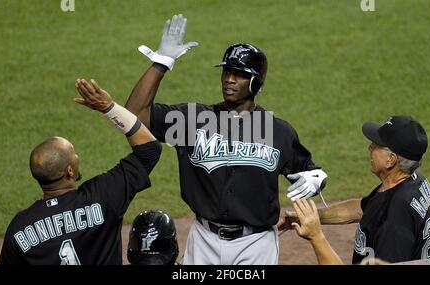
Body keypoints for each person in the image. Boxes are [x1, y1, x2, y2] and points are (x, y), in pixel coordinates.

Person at [125, 14, 327, 265]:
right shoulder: (191, 121)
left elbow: (309, 172)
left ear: (256, 83)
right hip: (204, 240)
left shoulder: (278, 132)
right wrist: (161, 63)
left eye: (240, 74)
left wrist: (317, 179)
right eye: (227, 72)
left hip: (256, 245)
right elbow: (133, 115)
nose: (229, 79)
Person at [0, 79, 162, 265]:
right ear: (69, 171)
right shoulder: (104, 195)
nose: (78, 157)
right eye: (74, 154)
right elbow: (150, 150)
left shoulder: (19, 228)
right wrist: (109, 108)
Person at [280, 115, 430, 264]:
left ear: (391, 160)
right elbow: (362, 209)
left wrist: (316, 236)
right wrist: (314, 217)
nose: (370, 148)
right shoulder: (414, 181)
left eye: (376, 145)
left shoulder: (394, 221)